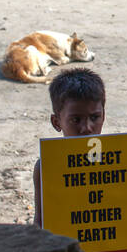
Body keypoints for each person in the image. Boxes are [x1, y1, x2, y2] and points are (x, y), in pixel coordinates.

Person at [32, 67, 106, 226]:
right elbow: (40, 222)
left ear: (103, 116)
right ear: (56, 122)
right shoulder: (46, 168)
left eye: (94, 117)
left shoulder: (120, 163)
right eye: (76, 120)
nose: (87, 128)